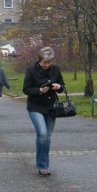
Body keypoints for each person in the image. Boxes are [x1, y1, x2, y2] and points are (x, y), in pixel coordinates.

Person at [22, 46, 65, 177]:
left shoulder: (55, 69)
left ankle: (44, 163)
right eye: (44, 62)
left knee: (46, 137)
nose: (47, 65)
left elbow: (62, 86)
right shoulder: (31, 70)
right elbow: (26, 89)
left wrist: (58, 87)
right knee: (42, 134)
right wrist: (39, 91)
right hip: (35, 106)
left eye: (49, 62)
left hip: (51, 107)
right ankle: (42, 166)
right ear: (39, 60)